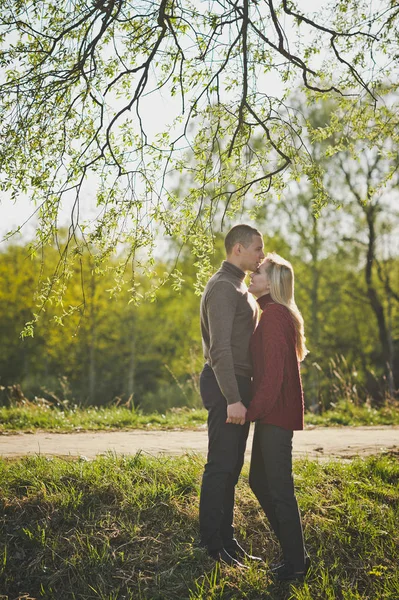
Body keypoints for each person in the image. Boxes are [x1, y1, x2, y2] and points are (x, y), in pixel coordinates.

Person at [199, 224, 265, 566]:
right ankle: (211, 545)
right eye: (257, 248)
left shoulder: (240, 286)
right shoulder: (224, 287)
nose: (261, 255)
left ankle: (227, 539)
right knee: (221, 466)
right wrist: (234, 398)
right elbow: (220, 350)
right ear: (237, 249)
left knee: (232, 466)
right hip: (227, 385)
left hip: (238, 384)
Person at [245, 252, 310, 582]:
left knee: (280, 489)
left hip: (275, 415)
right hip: (274, 414)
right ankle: (295, 553)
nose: (251, 275)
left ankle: (297, 565)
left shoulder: (273, 317)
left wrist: (249, 412)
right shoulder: (274, 313)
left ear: (271, 282)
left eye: (258, 272)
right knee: (259, 480)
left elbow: (271, 378)